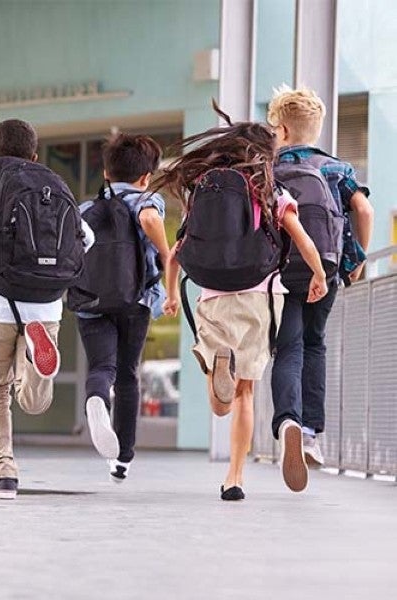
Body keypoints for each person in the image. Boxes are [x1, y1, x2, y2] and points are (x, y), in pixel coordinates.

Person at [159, 107, 328, 500]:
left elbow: (175, 254)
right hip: (259, 295)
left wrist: (170, 294)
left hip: (212, 296)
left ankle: (220, 370)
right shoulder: (270, 189)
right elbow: (302, 238)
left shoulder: (204, 187)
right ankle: (237, 475)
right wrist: (318, 275)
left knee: (221, 404)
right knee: (246, 393)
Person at [0, 119, 94, 500]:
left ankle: (4, 471)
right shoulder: (53, 184)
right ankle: (35, 363)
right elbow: (86, 237)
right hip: (46, 304)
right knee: (34, 401)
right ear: (35, 153)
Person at [266, 86, 374, 473]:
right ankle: (310, 432)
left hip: (277, 270)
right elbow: (363, 209)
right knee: (314, 344)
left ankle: (287, 421)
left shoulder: (268, 169)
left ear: (280, 129)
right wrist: (356, 259)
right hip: (325, 269)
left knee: (287, 346)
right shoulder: (337, 168)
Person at [73, 134, 172, 483]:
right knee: (129, 374)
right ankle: (123, 459)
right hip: (135, 299)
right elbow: (148, 221)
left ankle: (97, 398)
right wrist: (166, 253)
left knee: (103, 367)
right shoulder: (148, 200)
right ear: (146, 175)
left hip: (92, 300)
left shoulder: (85, 209)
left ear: (105, 173)